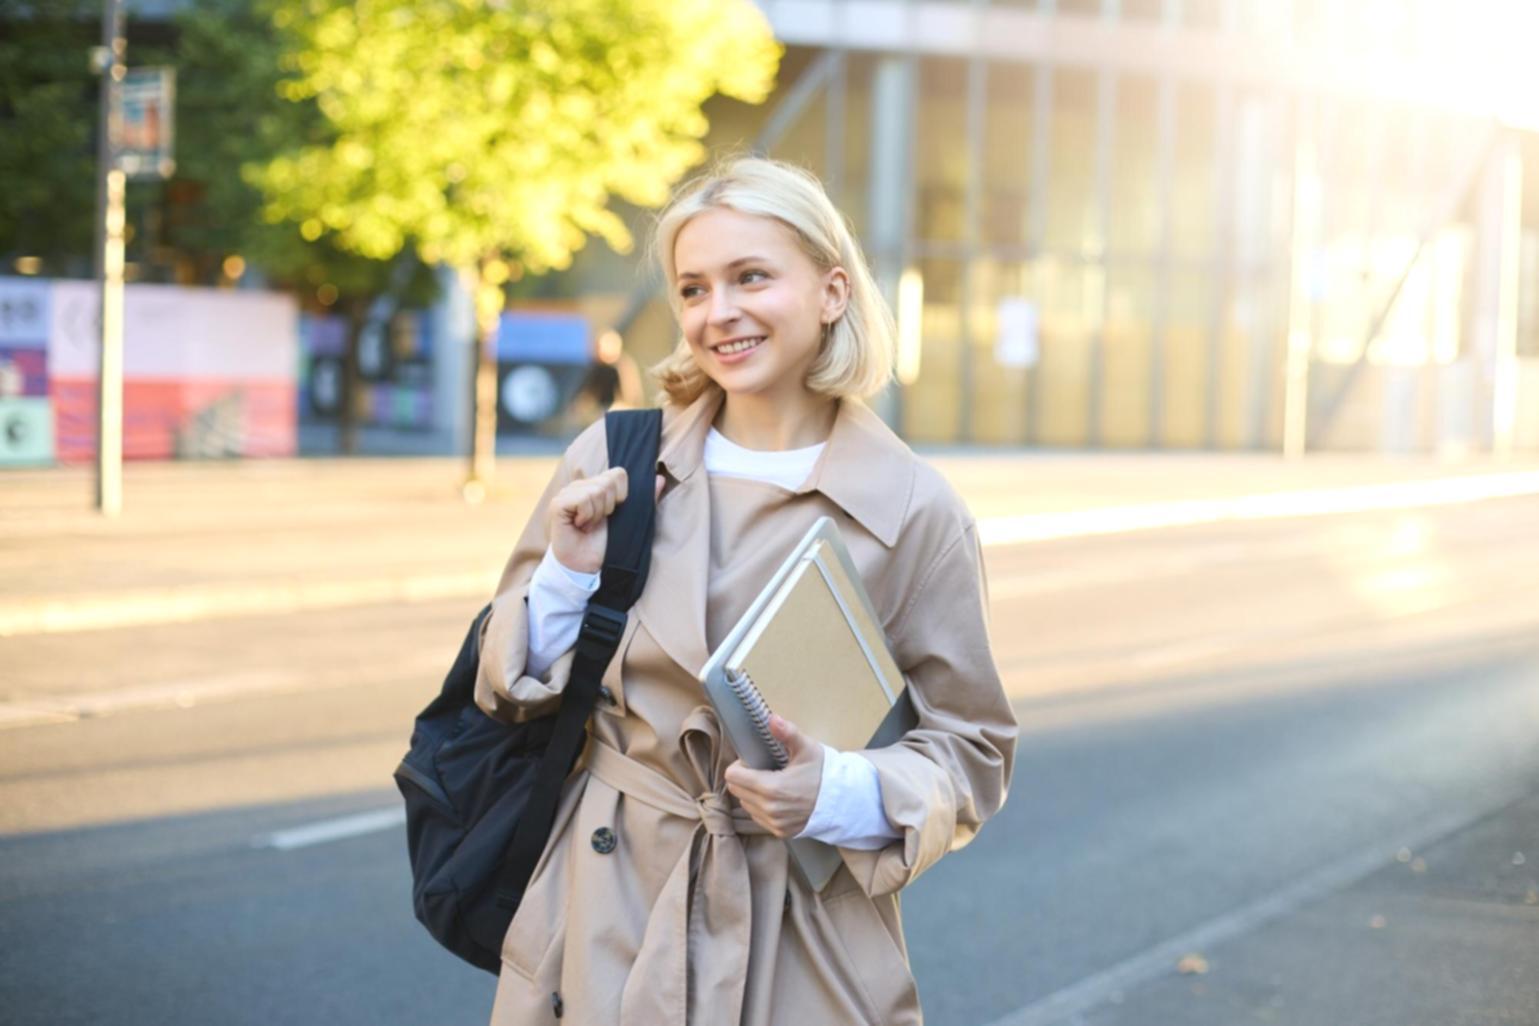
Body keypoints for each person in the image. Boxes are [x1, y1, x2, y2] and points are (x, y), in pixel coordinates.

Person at [475, 157, 1017, 1025]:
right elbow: (508, 688)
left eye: (750, 277)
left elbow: (972, 748)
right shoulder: (613, 460)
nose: (716, 312)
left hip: (798, 923)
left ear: (831, 292)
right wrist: (567, 578)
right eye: (692, 289)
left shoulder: (913, 509)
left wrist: (839, 792)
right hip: (600, 910)